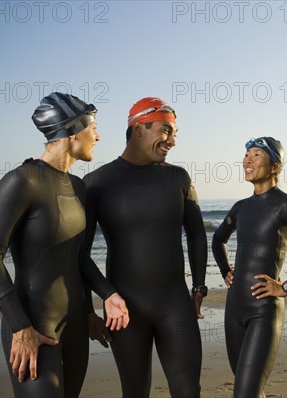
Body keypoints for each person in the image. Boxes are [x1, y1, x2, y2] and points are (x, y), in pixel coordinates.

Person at [0, 92, 129, 398]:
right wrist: (20, 328)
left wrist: (103, 298)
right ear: (73, 132)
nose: (98, 136)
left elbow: (78, 257)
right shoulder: (22, 181)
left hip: (75, 325)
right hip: (32, 326)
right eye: (93, 128)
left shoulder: (77, 187)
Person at [82, 97, 208, 398]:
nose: (173, 141)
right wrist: (96, 304)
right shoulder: (97, 183)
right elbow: (79, 254)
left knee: (189, 391)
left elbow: (196, 234)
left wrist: (199, 288)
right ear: (139, 128)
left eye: (174, 133)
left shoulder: (178, 177)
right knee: (135, 391)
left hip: (175, 305)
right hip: (124, 311)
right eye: (166, 131)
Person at [212, 136, 287, 398]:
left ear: (275, 166)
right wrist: (225, 270)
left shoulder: (285, 205)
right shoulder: (240, 207)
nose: (248, 161)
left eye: (256, 155)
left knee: (245, 393)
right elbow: (218, 239)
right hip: (234, 310)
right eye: (246, 155)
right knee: (249, 389)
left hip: (263, 312)